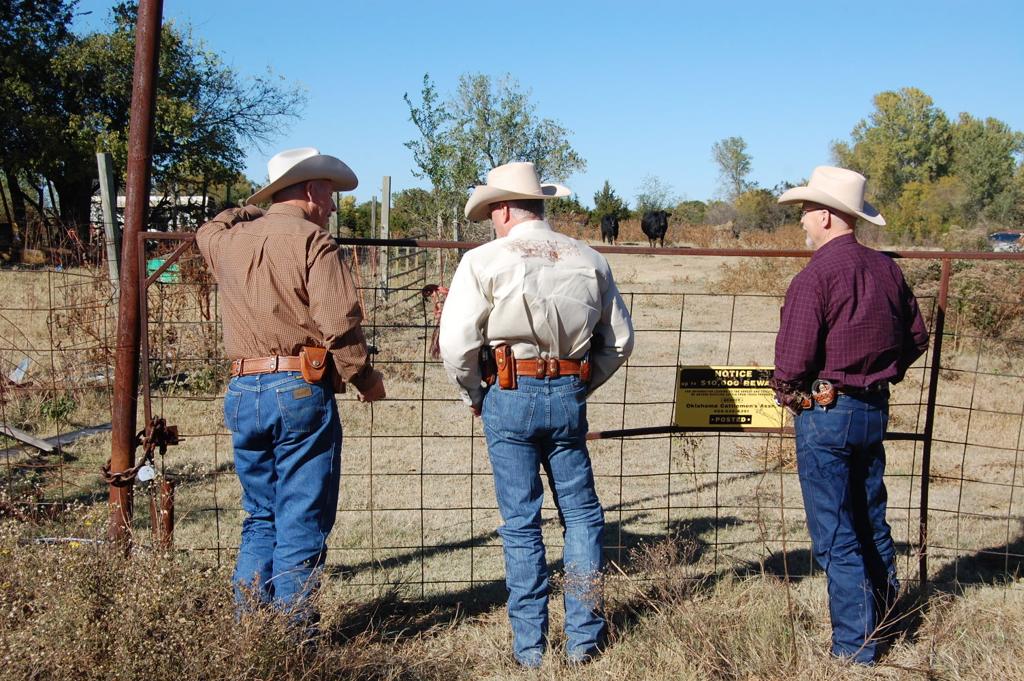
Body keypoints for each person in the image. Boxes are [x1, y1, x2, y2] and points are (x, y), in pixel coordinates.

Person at [438, 162, 634, 667]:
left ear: (502, 208)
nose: (490, 220)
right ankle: (584, 642)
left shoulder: (484, 260)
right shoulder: (588, 258)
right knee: (583, 515)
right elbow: (620, 342)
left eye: (490, 212)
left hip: (509, 387)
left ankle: (529, 648)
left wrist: (474, 395)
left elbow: (457, 343)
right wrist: (580, 382)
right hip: (568, 388)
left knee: (521, 522)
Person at [196, 147, 386, 624]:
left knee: (260, 515)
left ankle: (250, 632)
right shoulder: (315, 243)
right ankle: (292, 643)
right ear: (309, 190)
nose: (333, 206)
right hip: (299, 386)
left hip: (242, 388)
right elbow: (339, 323)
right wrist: (363, 376)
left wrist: (252, 209)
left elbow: (207, 229)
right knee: (301, 520)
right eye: (330, 193)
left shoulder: (230, 241)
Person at [772, 166, 929, 664]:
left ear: (824, 216)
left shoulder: (814, 276)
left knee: (836, 532)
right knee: (871, 518)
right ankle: (889, 619)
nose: (801, 221)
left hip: (827, 413)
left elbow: (792, 363)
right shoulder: (887, 270)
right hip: (872, 410)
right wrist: (884, 372)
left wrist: (790, 394)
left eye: (804, 213)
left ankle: (855, 647)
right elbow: (918, 336)